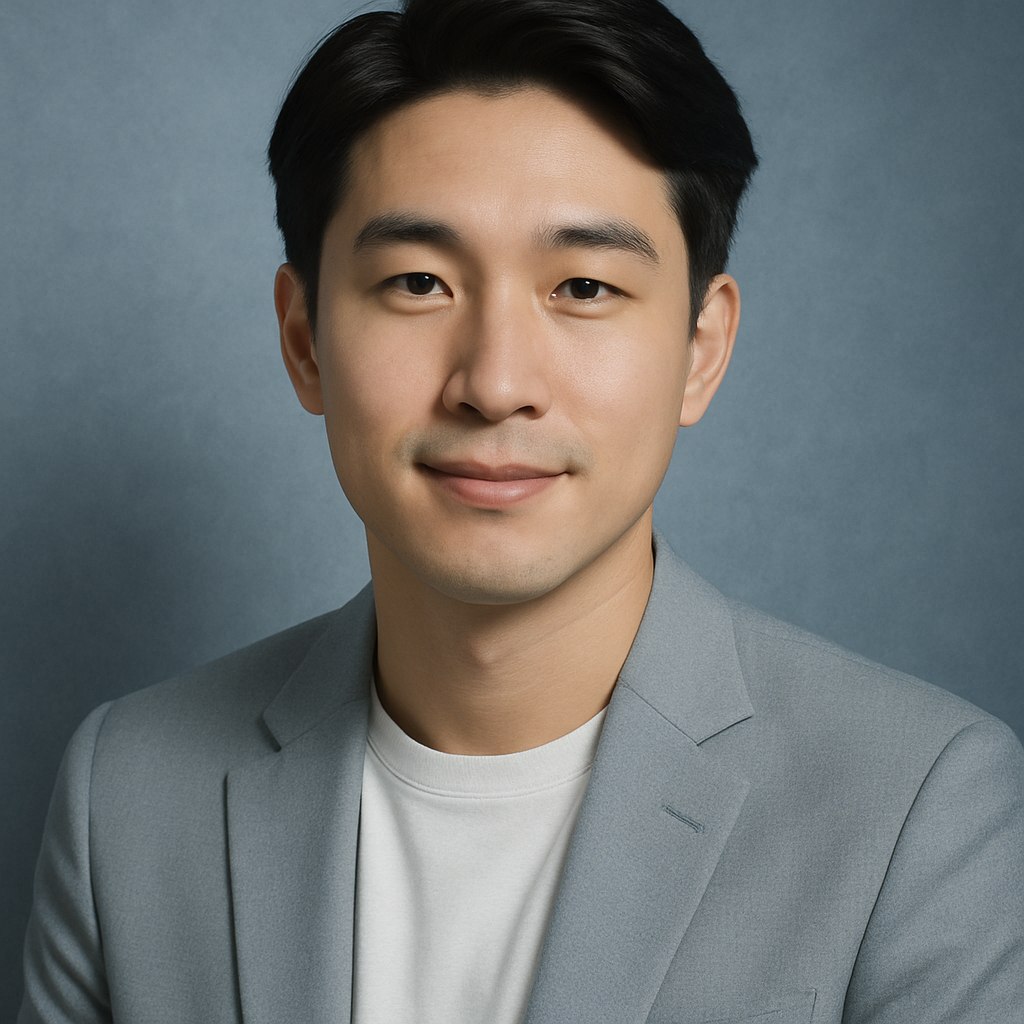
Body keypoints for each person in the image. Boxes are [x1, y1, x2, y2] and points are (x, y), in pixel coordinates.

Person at [18, 0, 1024, 1021]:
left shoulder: (917, 808)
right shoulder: (130, 794)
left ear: (700, 348)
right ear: (304, 339)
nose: (495, 383)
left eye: (583, 286)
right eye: (417, 280)